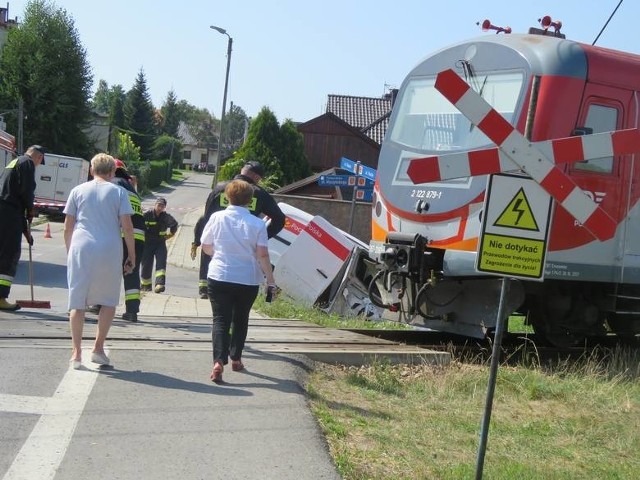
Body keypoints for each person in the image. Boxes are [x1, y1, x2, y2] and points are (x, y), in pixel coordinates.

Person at [201, 179, 276, 383]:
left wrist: (220, 254)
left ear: (228, 197)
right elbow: (262, 255)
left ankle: (218, 361)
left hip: (219, 275)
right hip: (247, 278)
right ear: (250, 200)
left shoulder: (217, 217)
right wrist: (270, 281)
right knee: (241, 319)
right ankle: (236, 358)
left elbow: (205, 245)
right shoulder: (258, 224)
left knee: (220, 320)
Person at [63, 153, 135, 369]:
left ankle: (76, 353)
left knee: (77, 301)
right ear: (113, 172)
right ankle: (98, 348)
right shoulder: (119, 192)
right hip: (109, 248)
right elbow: (127, 227)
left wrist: (70, 251)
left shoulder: (77, 191)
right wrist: (131, 255)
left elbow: (68, 226)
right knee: (109, 300)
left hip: (81, 246)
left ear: (91, 170)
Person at [191, 160, 285, 300]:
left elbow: (205, 218)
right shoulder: (259, 193)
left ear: (242, 170)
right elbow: (279, 220)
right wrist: (261, 238)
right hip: (245, 251)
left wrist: (198, 240)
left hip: (217, 249)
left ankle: (204, 288)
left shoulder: (219, 188)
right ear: (257, 177)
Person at [0, 145, 46, 311]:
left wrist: (25, 229)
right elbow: (27, 190)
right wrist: (30, 209)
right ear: (39, 157)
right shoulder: (27, 164)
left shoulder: (15, 162)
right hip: (9, 212)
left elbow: (13, 193)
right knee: (10, 253)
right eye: (40, 162)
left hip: (5, 211)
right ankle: (1, 297)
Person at [112, 159, 145, 322]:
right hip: (138, 238)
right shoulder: (131, 188)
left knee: (109, 271)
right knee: (131, 272)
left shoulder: (113, 184)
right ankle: (132, 311)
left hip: (122, 235)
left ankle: (99, 305)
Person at [141, 197, 178, 293]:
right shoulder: (146, 215)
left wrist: (171, 234)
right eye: (159, 205)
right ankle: (146, 286)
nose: (160, 207)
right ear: (155, 205)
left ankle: (159, 284)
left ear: (164, 207)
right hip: (147, 244)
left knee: (161, 263)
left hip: (160, 243)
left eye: (162, 206)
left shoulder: (166, 217)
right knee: (146, 265)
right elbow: (139, 224)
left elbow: (174, 224)